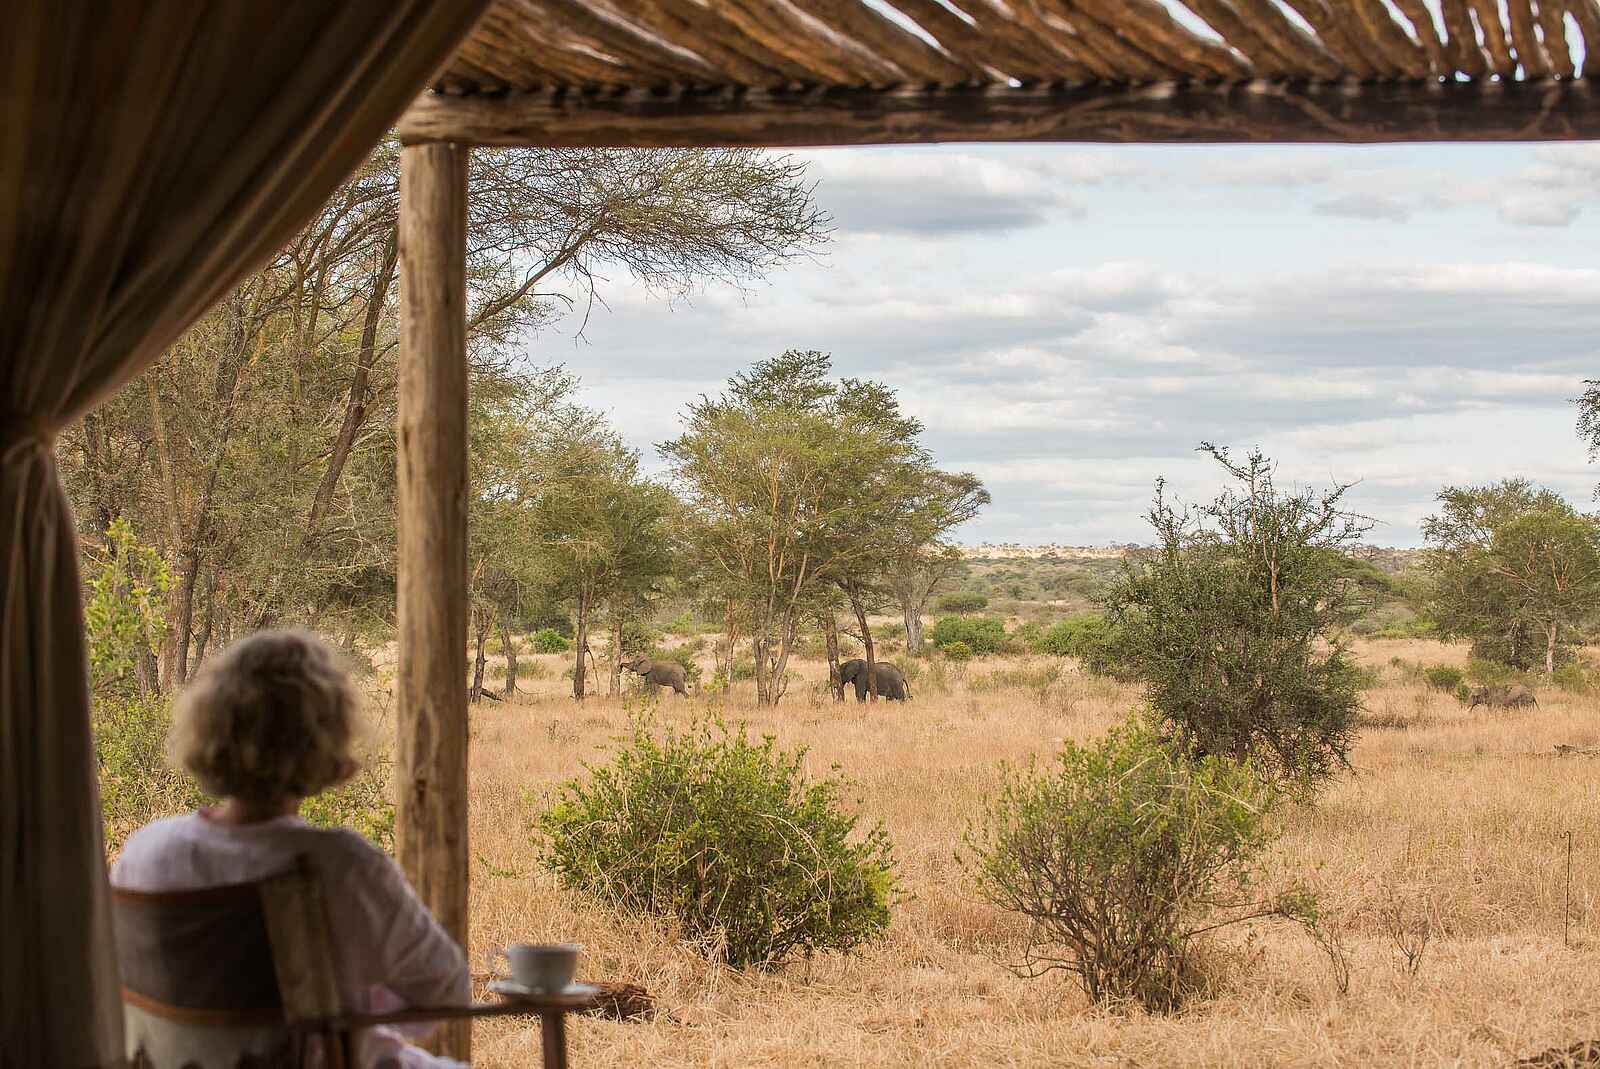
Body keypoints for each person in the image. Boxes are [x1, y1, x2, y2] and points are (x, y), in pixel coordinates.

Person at [112, 630, 471, 1069]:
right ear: (325, 742)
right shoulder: (342, 865)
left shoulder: (146, 853)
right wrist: (348, 1002)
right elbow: (447, 991)